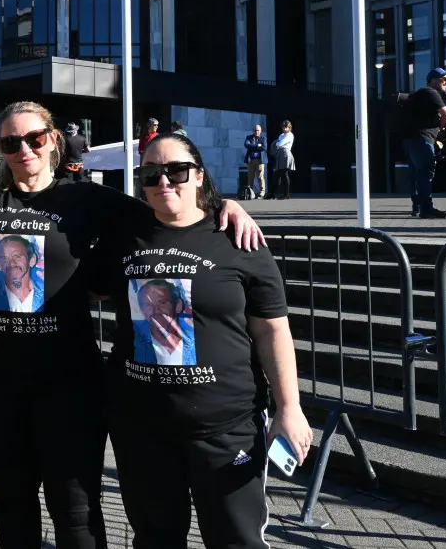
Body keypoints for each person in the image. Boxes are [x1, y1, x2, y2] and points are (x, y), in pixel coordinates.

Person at [0, 101, 263, 549]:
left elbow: (169, 208)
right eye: (10, 142)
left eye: (35, 138)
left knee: (76, 510)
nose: (24, 149)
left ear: (53, 140)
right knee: (11, 501)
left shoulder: (87, 198)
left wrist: (226, 205)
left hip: (68, 383)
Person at [87, 132, 310, 549]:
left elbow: (271, 329)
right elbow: (87, 287)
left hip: (225, 427)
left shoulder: (236, 238)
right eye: (150, 174)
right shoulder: (124, 237)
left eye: (176, 170)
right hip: (142, 425)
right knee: (155, 539)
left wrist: (289, 408)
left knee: (235, 539)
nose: (164, 181)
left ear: (199, 175)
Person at [405, 68, 446, 219]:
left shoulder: (421, 95)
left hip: (410, 140)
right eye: (444, 79)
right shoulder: (431, 93)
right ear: (433, 80)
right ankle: (427, 209)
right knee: (426, 172)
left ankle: (418, 207)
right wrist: (438, 130)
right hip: (423, 139)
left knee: (416, 174)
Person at [0, 235, 45, 313]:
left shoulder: (44, 291)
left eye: (17, 257)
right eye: (4, 258)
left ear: (32, 260)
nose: (11, 263)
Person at [272, 121, 295, 200]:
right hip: (280, 153)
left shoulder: (290, 135)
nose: (285, 128)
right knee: (277, 174)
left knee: (285, 174)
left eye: (286, 127)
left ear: (289, 127)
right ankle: (273, 193)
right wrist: (277, 143)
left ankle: (287, 194)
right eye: (283, 127)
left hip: (285, 153)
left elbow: (279, 144)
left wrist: (277, 143)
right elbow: (278, 143)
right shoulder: (282, 135)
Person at [244, 124, 267, 198]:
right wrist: (257, 146)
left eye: (258, 130)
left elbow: (264, 147)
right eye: (255, 130)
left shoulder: (263, 138)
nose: (256, 132)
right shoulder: (248, 137)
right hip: (251, 160)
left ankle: (262, 192)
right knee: (250, 177)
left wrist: (252, 146)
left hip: (260, 160)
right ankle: (251, 192)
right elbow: (246, 145)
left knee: (260, 176)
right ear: (253, 131)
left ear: (260, 131)